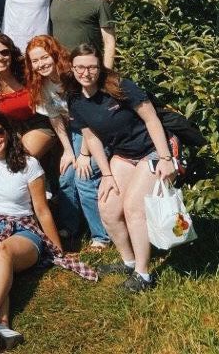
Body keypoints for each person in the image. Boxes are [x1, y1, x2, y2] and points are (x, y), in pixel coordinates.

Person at [0, 112, 97, 353]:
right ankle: (2, 327)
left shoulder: (29, 165)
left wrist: (58, 251)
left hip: (22, 227)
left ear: (8, 132)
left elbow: (42, 209)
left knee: (2, 252)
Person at [67, 43, 178, 292]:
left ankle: (143, 274)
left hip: (153, 149)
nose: (86, 73)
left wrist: (165, 158)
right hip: (125, 154)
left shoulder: (119, 86)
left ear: (100, 67)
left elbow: (152, 119)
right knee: (107, 206)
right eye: (80, 67)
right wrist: (106, 174)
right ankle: (128, 261)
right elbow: (92, 137)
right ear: (72, 68)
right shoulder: (74, 99)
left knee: (133, 208)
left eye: (92, 67)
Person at [26, 34, 110, 249]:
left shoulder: (72, 77)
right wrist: (68, 151)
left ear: (54, 55)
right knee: (66, 177)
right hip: (74, 132)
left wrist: (84, 154)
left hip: (96, 131)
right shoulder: (42, 84)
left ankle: (101, 236)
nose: (40, 64)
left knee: (85, 177)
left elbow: (89, 119)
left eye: (44, 58)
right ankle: (70, 227)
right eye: (35, 61)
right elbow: (55, 118)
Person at [0, 33, 62, 163]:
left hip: (42, 120)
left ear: (11, 53)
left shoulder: (26, 71)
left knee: (23, 158)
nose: (0, 58)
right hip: (13, 128)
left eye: (5, 52)